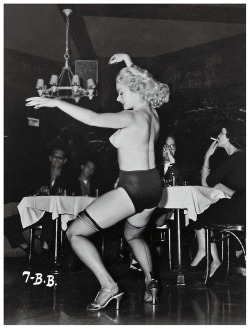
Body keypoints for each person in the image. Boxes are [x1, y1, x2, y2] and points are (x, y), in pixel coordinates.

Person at [26, 53, 170, 310]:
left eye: (120, 92)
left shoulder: (132, 117)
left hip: (133, 187)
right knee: (133, 235)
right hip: (153, 187)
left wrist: (57, 102)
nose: (117, 98)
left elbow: (93, 118)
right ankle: (151, 281)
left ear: (135, 89)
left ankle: (109, 286)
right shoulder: (153, 115)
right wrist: (128, 63)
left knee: (74, 232)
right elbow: (143, 82)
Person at [4, 145, 79, 264]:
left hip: (54, 216)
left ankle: (45, 253)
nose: (57, 159)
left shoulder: (69, 179)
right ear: (50, 158)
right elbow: (27, 192)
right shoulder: (39, 175)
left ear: (64, 161)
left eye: (61, 157)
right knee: (6, 223)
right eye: (55, 156)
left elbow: (73, 197)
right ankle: (29, 251)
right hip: (35, 214)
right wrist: (38, 190)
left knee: (51, 216)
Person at [189, 126, 246, 280]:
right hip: (243, 208)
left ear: (230, 137)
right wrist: (223, 188)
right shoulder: (243, 157)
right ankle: (221, 257)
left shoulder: (232, 159)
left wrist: (207, 157)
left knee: (197, 214)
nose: (218, 135)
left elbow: (205, 184)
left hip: (240, 210)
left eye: (222, 133)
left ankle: (206, 254)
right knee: (207, 211)